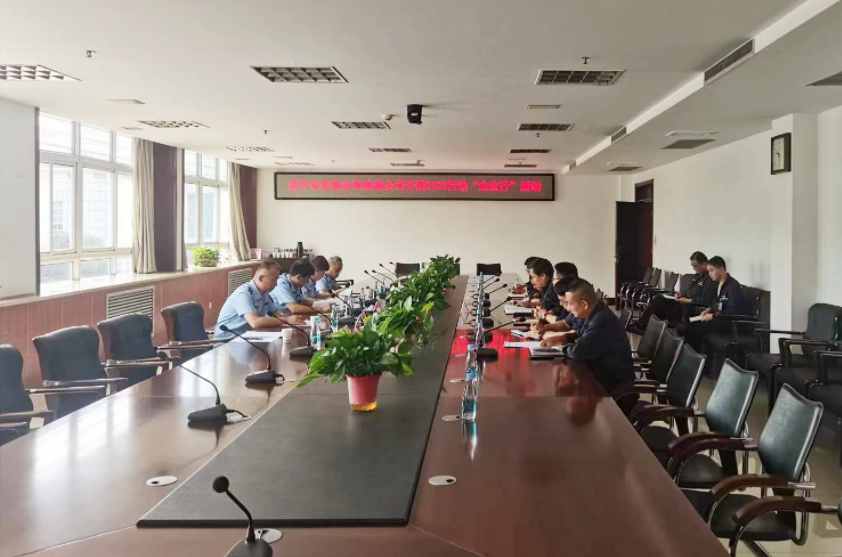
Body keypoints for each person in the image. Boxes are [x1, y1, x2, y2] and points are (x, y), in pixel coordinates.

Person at [541, 279, 637, 414]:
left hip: (614, 389)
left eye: (569, 304)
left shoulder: (602, 320)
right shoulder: (595, 312)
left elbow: (578, 351)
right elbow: (582, 335)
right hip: (600, 379)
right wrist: (563, 338)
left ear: (584, 304)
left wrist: (562, 347)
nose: (567, 308)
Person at [214, 260, 304, 339]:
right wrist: (287, 320)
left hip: (247, 337)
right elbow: (255, 322)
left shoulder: (264, 293)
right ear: (261, 278)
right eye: (274, 280)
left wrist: (291, 319)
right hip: (227, 340)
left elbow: (276, 313)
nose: (276, 284)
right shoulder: (244, 293)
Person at [633, 251, 714, 331]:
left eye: (695, 266)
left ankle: (643, 326)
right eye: (692, 266)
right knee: (658, 299)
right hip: (682, 302)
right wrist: (680, 294)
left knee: (659, 303)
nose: (694, 268)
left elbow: (706, 300)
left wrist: (687, 300)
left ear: (704, 264)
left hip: (689, 307)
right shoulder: (697, 276)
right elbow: (689, 290)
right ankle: (645, 326)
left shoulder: (710, 279)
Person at [685, 256, 750, 351]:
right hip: (718, 319)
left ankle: (698, 356)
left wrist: (713, 316)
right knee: (690, 324)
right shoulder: (719, 284)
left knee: (694, 329)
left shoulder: (732, 287)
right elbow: (716, 302)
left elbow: (732, 312)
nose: (709, 274)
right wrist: (709, 310)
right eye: (709, 271)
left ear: (721, 269)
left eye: (712, 271)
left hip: (727, 324)